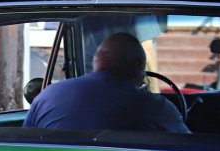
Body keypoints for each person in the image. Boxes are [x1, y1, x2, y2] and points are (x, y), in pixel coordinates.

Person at [24, 31, 189, 133]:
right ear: (138, 65)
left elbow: (25, 146)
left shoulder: (48, 95)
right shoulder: (155, 107)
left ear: (97, 60)